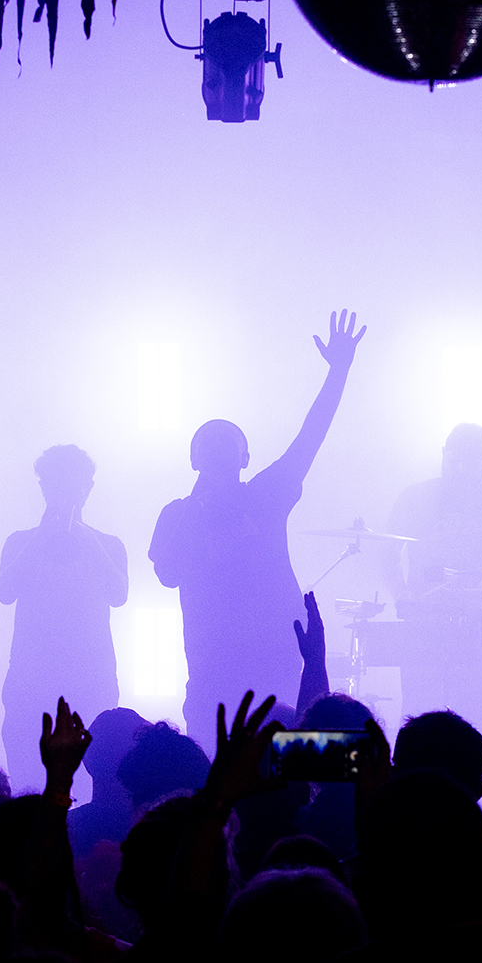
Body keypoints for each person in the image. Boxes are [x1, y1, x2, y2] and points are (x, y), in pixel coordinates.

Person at [149, 310, 365, 738]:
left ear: (245, 458)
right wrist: (198, 515)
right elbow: (167, 573)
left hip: (273, 655)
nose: (218, 453)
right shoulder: (177, 514)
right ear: (193, 459)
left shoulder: (264, 496)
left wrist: (338, 373)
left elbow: (310, 436)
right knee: (213, 756)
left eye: (227, 446)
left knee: (282, 753)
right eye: (209, 447)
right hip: (212, 665)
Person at [382, 423, 482, 738]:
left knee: (474, 723)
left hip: (479, 630)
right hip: (422, 626)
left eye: (470, 462)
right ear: (443, 454)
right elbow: (386, 555)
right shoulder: (415, 498)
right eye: (455, 460)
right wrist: (402, 596)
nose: (461, 469)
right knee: (419, 718)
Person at [0, 444, 129, 789]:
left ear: (88, 487)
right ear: (43, 487)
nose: (62, 490)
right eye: (53, 482)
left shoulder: (107, 543)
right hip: (30, 676)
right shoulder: (21, 542)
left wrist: (87, 541)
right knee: (27, 773)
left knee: (92, 774)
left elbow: (119, 595)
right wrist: (41, 538)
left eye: (71, 482)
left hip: (90, 675)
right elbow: (4, 591)